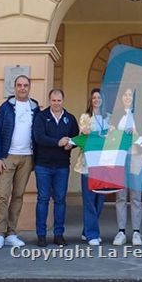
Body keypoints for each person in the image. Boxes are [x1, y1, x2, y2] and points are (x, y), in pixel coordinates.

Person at [0, 74, 40, 249]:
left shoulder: (35, 107)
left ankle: (11, 232)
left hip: (27, 157)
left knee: (18, 196)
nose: (22, 88)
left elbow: (38, 133)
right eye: (19, 85)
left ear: (29, 87)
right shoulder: (5, 108)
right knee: (2, 195)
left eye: (25, 85)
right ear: (15, 87)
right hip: (7, 157)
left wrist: (37, 158)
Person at [32, 88, 79, 247]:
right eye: (53, 100)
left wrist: (70, 145)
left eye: (59, 100)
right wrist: (57, 142)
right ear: (49, 100)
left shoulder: (69, 118)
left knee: (60, 200)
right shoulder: (41, 117)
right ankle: (41, 235)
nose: (56, 103)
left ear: (62, 101)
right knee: (43, 199)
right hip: (43, 166)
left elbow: (76, 137)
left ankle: (59, 234)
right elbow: (39, 137)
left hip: (62, 166)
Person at [74, 88, 110, 246]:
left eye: (99, 97)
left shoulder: (108, 118)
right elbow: (84, 132)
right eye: (94, 97)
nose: (96, 100)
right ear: (91, 100)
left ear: (103, 100)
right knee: (89, 200)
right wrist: (101, 135)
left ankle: (86, 230)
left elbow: (112, 136)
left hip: (103, 166)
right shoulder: (85, 117)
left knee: (100, 199)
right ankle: (92, 234)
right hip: (88, 164)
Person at [110, 87, 142, 246]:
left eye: (131, 95)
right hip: (120, 158)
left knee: (136, 196)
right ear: (121, 97)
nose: (128, 97)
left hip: (136, 157)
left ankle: (136, 232)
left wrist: (136, 133)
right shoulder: (115, 115)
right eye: (125, 94)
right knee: (121, 196)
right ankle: (121, 231)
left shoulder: (141, 115)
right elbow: (110, 138)